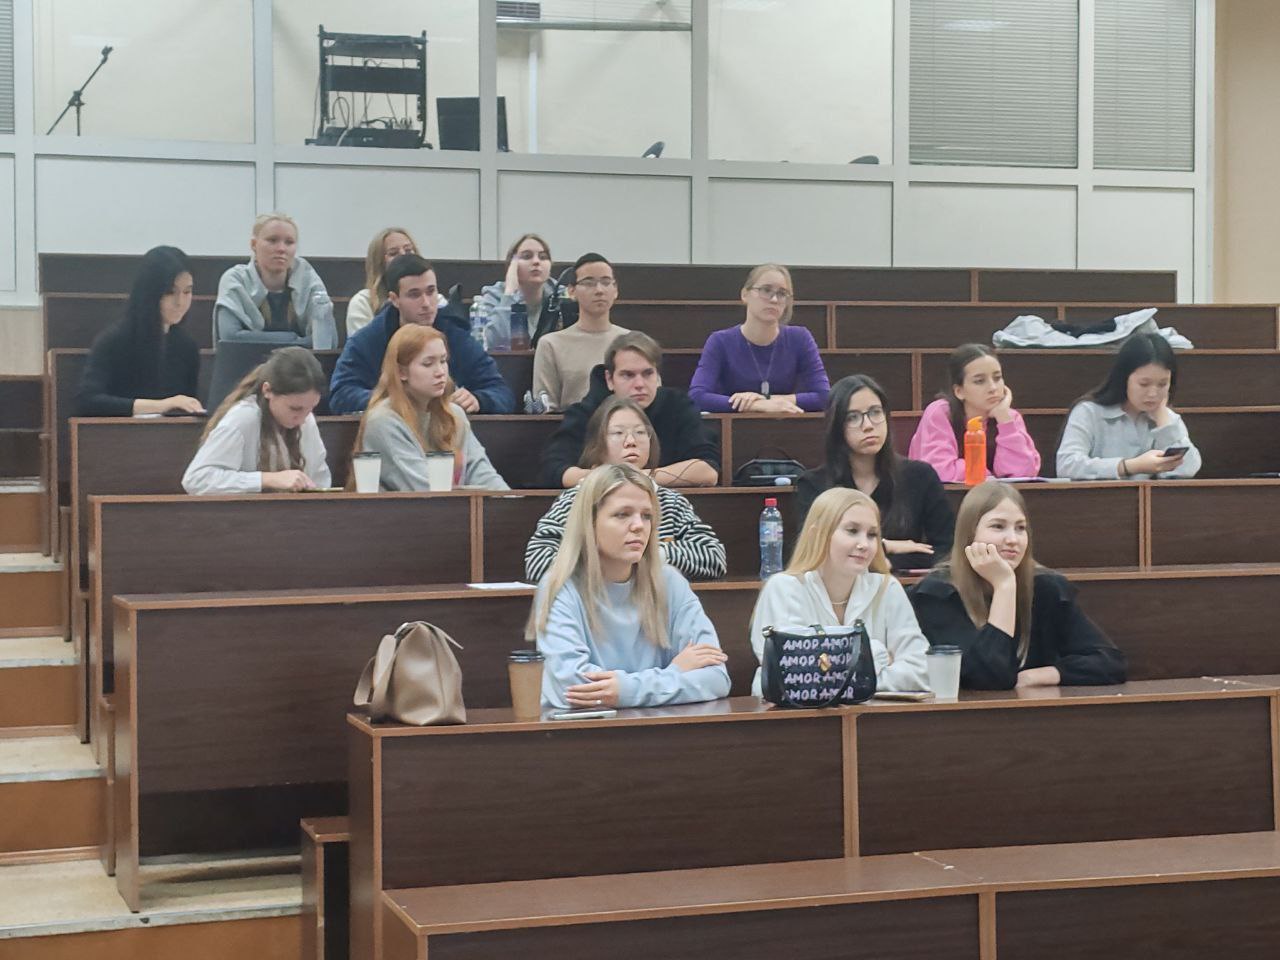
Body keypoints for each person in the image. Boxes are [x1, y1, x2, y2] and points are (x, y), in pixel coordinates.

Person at [530, 463, 731, 710]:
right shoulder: (560, 585)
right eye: (622, 514)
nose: (638, 525)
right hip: (584, 731)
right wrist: (676, 672)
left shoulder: (670, 582)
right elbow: (572, 687)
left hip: (661, 726)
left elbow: (716, 677)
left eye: (646, 516)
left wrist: (624, 690)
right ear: (589, 522)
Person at [909, 481, 1126, 689]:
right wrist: (1004, 585)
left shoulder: (1046, 588)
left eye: (1020, 528)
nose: (1012, 539)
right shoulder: (937, 593)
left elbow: (1109, 661)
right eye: (998, 526)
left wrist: (1044, 675)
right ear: (969, 534)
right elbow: (989, 676)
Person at [749, 487, 930, 696]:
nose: (864, 544)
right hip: (794, 716)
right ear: (818, 534)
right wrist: (878, 655)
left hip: (873, 714)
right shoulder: (784, 588)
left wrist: (842, 672)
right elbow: (795, 677)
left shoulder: (888, 588)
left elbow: (922, 670)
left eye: (872, 535)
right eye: (852, 531)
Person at [525, 397, 726, 583]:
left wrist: (648, 554)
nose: (631, 441)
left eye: (640, 432)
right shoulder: (576, 498)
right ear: (597, 444)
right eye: (618, 433)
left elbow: (714, 556)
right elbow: (538, 560)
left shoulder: (670, 501)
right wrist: (611, 560)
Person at [797, 375, 953, 572]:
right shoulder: (814, 484)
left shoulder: (920, 476)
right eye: (853, 417)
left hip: (904, 586)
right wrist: (885, 547)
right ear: (836, 427)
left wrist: (886, 563)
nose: (868, 425)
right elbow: (815, 552)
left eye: (875, 412)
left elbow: (945, 550)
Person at [329, 254, 515, 415]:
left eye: (431, 291)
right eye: (414, 294)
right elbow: (340, 395)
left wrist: (479, 400)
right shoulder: (368, 339)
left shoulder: (455, 334)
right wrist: (397, 400)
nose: (426, 303)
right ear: (394, 299)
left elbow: (502, 393)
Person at [539, 332, 720, 488]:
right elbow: (556, 470)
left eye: (648, 373)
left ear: (658, 375)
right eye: (628, 375)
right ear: (609, 379)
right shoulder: (585, 412)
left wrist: (632, 477)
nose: (639, 384)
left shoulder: (678, 406)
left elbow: (708, 470)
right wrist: (612, 480)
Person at [352, 323, 509, 491]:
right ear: (401, 372)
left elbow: (481, 471)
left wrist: (510, 501)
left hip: (455, 505)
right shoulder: (382, 421)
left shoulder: (455, 414)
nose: (440, 372)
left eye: (443, 361)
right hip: (408, 508)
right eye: (428, 364)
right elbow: (422, 490)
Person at [182, 346, 330, 494]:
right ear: (267, 391)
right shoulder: (243, 418)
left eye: (311, 408)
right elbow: (195, 480)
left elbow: (320, 480)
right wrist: (266, 479)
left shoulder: (307, 420)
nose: (303, 419)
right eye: (295, 408)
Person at [76, 245, 203, 417]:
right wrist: (161, 406)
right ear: (150, 293)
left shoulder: (187, 347)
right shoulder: (114, 341)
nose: (180, 302)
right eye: (170, 292)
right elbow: (87, 401)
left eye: (187, 291)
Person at [1056, 333, 1201, 480]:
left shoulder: (1168, 419)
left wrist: (1164, 424)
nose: (1153, 393)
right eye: (1144, 384)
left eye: (1162, 384)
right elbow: (1066, 465)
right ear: (1124, 378)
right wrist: (1130, 466)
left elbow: (1188, 470)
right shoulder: (1089, 412)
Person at [688, 264, 829, 414]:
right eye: (766, 290)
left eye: (782, 293)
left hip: (784, 424)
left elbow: (825, 396)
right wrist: (755, 405)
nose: (774, 299)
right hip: (733, 427)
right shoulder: (720, 341)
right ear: (745, 295)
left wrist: (770, 401)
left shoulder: (800, 338)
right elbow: (696, 397)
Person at [908, 344, 1041, 481]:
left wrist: (1005, 422)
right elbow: (940, 471)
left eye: (997, 378)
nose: (993, 388)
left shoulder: (1008, 417)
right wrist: (987, 475)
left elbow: (1024, 474)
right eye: (980, 381)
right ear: (959, 391)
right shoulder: (940, 413)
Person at [213, 213, 336, 349]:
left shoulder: (307, 276)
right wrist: (295, 339)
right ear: (254, 244)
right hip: (246, 362)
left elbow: (328, 340)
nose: (281, 249)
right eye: (272, 240)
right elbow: (230, 338)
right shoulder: (235, 279)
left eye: (289, 242)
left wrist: (257, 339)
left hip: (301, 362)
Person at [531, 253, 631, 411]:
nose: (599, 290)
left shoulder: (631, 341)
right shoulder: (551, 344)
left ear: (615, 290)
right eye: (589, 283)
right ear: (572, 291)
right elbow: (546, 408)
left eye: (606, 282)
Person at [472, 232, 564, 350]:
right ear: (512, 265)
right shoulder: (493, 296)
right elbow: (492, 343)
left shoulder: (561, 295)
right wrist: (509, 294)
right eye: (527, 256)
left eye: (543, 257)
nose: (536, 262)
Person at [346, 227, 443, 337]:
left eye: (408, 250)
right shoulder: (363, 302)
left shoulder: (439, 301)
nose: (403, 256)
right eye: (393, 253)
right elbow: (361, 343)